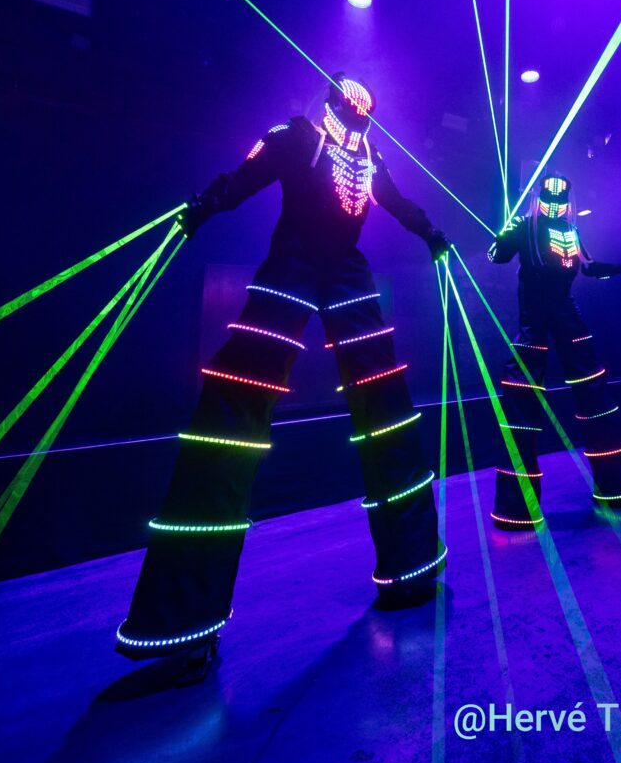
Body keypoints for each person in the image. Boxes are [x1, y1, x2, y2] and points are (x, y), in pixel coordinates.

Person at [116, 74, 451, 678]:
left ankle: (413, 567)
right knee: (230, 416)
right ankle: (181, 622)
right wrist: (202, 207)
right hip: (291, 266)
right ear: (330, 104)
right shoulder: (296, 135)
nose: (356, 122)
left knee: (389, 415)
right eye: (349, 111)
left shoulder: (370, 155)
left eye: (363, 116)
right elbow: (246, 176)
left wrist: (431, 233)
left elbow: (397, 202)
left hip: (347, 275)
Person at [486, 174, 621, 527]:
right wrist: (505, 231)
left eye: (561, 199)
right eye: (549, 199)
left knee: (594, 395)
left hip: (566, 315)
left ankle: (616, 486)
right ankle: (517, 507)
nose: (555, 205)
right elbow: (496, 256)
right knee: (521, 403)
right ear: (539, 198)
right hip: (534, 320)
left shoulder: (571, 229)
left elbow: (588, 267)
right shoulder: (524, 225)